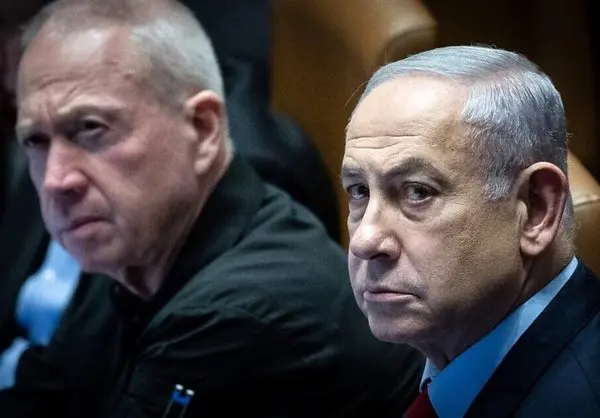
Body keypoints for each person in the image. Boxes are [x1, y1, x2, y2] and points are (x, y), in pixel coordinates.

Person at [0, 0, 423, 417]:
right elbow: (47, 390)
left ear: (202, 128)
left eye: (91, 128)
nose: (56, 179)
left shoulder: (238, 314)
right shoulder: (129, 245)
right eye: (36, 141)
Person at [342, 45, 600, 417]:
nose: (365, 240)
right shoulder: (439, 351)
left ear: (536, 210)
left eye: (418, 192)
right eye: (359, 191)